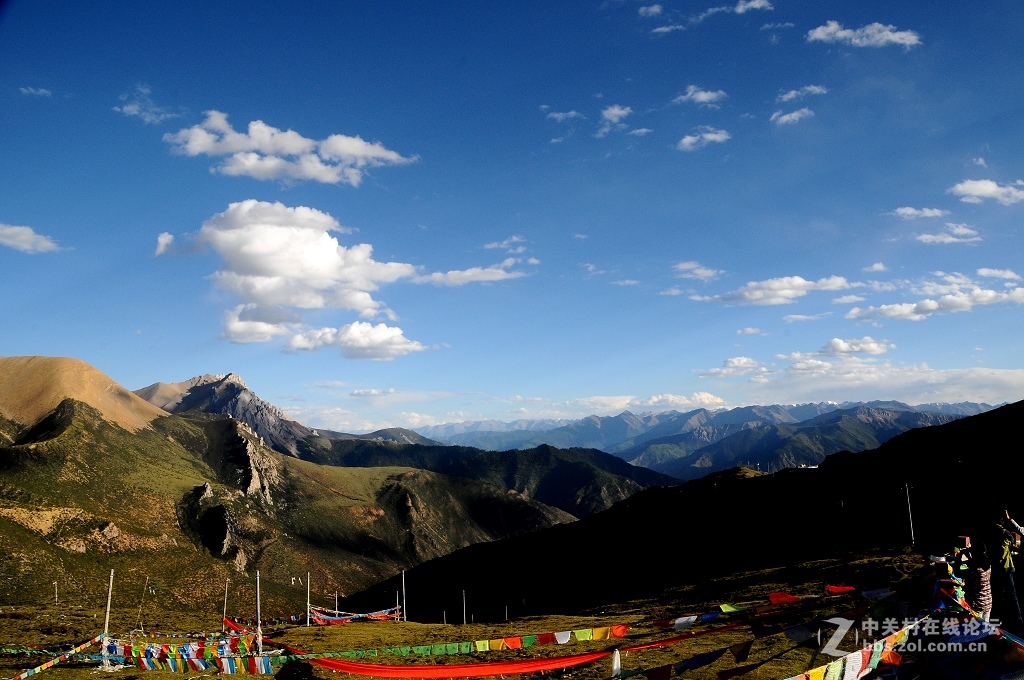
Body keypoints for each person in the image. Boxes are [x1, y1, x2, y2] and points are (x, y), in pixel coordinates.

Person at [995, 510, 1024, 626]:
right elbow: (1019, 531)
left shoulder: (996, 533)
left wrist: (1009, 519)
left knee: (1000, 593)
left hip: (999, 567)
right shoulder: (1005, 534)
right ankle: (1018, 619)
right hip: (1007, 567)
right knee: (1012, 593)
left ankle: (999, 619)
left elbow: (1020, 530)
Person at [965, 543, 993, 621]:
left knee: (977, 630)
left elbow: (960, 573)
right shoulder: (987, 565)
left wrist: (960, 557)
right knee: (985, 628)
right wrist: (969, 557)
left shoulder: (976, 570)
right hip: (987, 602)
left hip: (977, 604)